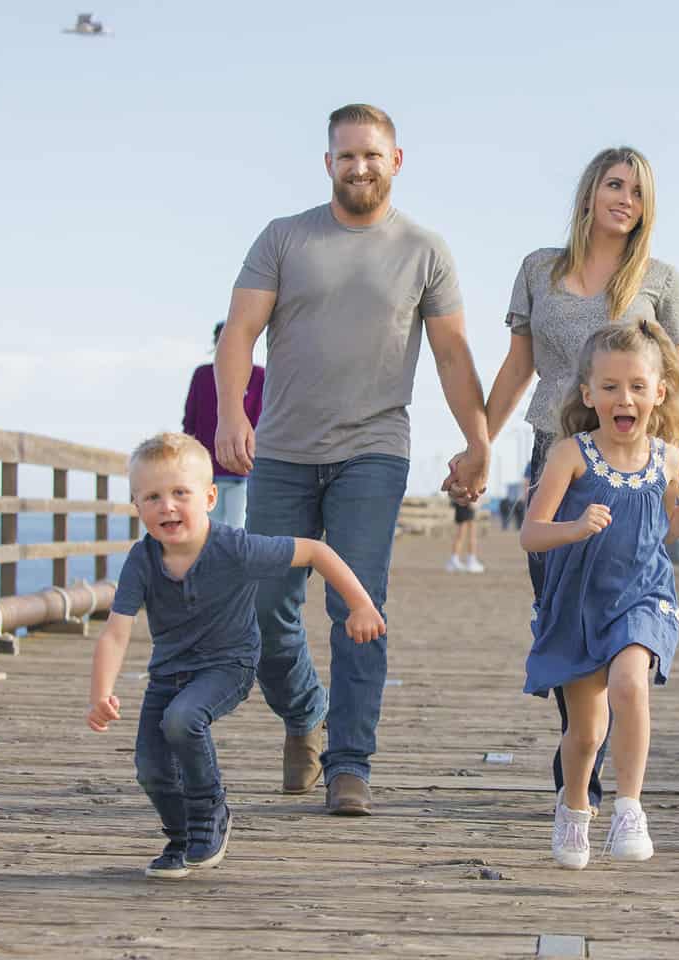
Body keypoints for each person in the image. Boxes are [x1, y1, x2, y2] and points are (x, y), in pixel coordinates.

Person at [212, 104, 490, 816]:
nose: (359, 166)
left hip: (374, 449)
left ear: (396, 160)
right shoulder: (285, 238)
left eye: (372, 154)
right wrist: (232, 411)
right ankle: (306, 714)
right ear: (327, 164)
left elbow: (453, 354)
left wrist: (479, 437)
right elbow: (240, 331)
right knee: (265, 604)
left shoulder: (424, 250)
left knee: (357, 603)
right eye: (346, 156)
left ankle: (350, 762)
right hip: (282, 451)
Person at [452, 146, 679, 816]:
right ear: (590, 192)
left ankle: (586, 773)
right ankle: (580, 740)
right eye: (615, 185)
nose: (626, 199)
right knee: (562, 610)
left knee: (622, 611)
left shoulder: (663, 283)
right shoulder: (540, 270)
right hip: (555, 457)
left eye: (639, 192)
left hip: (632, 469)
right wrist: (479, 443)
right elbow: (517, 367)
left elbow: (673, 383)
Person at [85, 433, 384, 880]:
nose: (166, 506)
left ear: (209, 498)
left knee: (182, 720)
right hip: (168, 673)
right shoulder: (142, 560)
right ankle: (181, 837)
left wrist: (361, 605)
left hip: (229, 664)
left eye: (179, 494)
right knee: (150, 766)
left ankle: (211, 813)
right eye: (152, 497)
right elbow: (115, 632)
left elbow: (317, 551)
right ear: (136, 506)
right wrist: (101, 693)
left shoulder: (235, 548)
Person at [521, 320, 679, 869]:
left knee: (630, 681)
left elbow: (663, 529)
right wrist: (574, 528)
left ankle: (630, 806)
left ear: (659, 393)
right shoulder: (570, 454)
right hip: (579, 604)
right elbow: (531, 532)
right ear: (588, 394)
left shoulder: (666, 458)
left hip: (643, 596)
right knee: (586, 733)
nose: (625, 398)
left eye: (638, 386)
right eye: (610, 387)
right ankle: (573, 810)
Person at [182, 322, 264, 529]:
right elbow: (189, 422)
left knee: (237, 530)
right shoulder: (202, 376)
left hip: (243, 471)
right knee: (207, 530)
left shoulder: (258, 376)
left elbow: (263, 421)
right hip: (207, 470)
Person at [445, 494, 484, 573]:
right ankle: (469, 561)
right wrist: (472, 502)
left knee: (462, 534)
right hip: (466, 504)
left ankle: (456, 560)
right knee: (467, 534)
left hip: (462, 503)